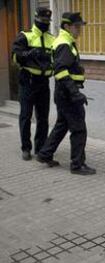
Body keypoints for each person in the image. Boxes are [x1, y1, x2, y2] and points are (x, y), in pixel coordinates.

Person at [37, 12, 96, 175]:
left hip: (64, 94)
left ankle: (44, 154)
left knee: (62, 126)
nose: (80, 30)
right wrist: (75, 93)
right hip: (68, 94)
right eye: (77, 27)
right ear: (67, 27)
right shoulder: (64, 43)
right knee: (79, 129)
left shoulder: (65, 41)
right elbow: (61, 71)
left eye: (80, 26)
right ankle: (77, 165)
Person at [11, 7, 54, 161]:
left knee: (43, 118)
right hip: (27, 81)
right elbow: (15, 57)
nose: (46, 24)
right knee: (26, 116)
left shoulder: (51, 38)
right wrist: (27, 54)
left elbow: (56, 59)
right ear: (36, 19)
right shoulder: (25, 36)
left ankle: (41, 147)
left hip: (44, 83)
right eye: (43, 21)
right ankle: (26, 148)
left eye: (48, 21)